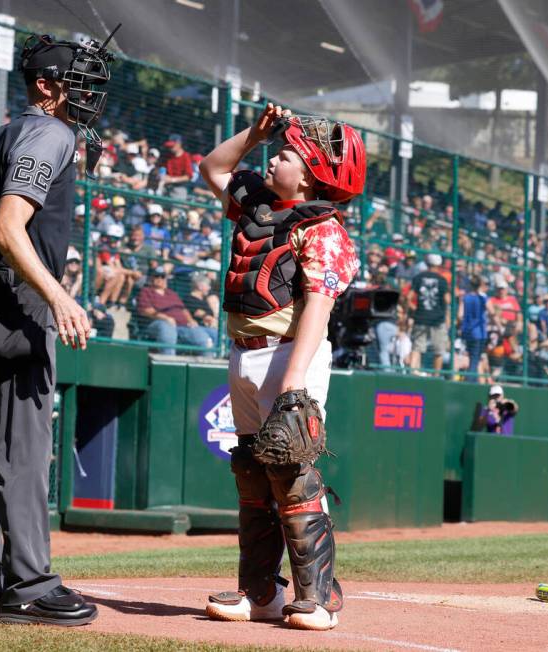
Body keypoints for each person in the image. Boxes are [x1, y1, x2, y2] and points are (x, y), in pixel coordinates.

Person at [0, 32, 114, 626]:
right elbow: (7, 228)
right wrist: (60, 298)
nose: (91, 92)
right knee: (24, 452)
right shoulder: (51, 131)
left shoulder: (11, 131)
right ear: (46, 85)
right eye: (80, 78)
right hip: (17, 311)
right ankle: (31, 587)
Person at [198, 104, 363, 631]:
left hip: (290, 354)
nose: (274, 161)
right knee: (251, 470)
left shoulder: (323, 228)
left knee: (290, 472)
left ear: (311, 175)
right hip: (244, 352)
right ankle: (261, 592)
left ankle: (319, 597)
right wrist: (256, 134)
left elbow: (318, 306)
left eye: (286, 155)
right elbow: (213, 169)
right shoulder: (257, 206)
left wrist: (294, 380)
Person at [136, 268, 216, 355]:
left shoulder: (172, 293)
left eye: (162, 276)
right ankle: (168, 361)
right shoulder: (146, 291)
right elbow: (146, 310)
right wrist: (166, 318)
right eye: (156, 276)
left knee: (206, 337)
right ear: (151, 278)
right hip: (157, 323)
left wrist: (190, 320)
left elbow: (183, 309)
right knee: (166, 327)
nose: (160, 279)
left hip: (182, 326)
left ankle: (211, 364)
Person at [408, 253, 449, 374]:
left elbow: (408, 297)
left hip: (421, 317)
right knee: (439, 351)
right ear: (439, 265)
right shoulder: (442, 280)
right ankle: (436, 376)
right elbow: (447, 300)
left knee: (417, 348)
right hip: (437, 319)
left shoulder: (419, 277)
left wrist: (414, 308)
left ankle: (413, 373)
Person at [460, 275, 488, 381]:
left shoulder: (465, 298)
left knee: (472, 357)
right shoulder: (482, 298)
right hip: (479, 333)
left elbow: (460, 315)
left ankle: (472, 378)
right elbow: (492, 312)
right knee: (475, 358)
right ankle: (470, 380)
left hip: (467, 331)